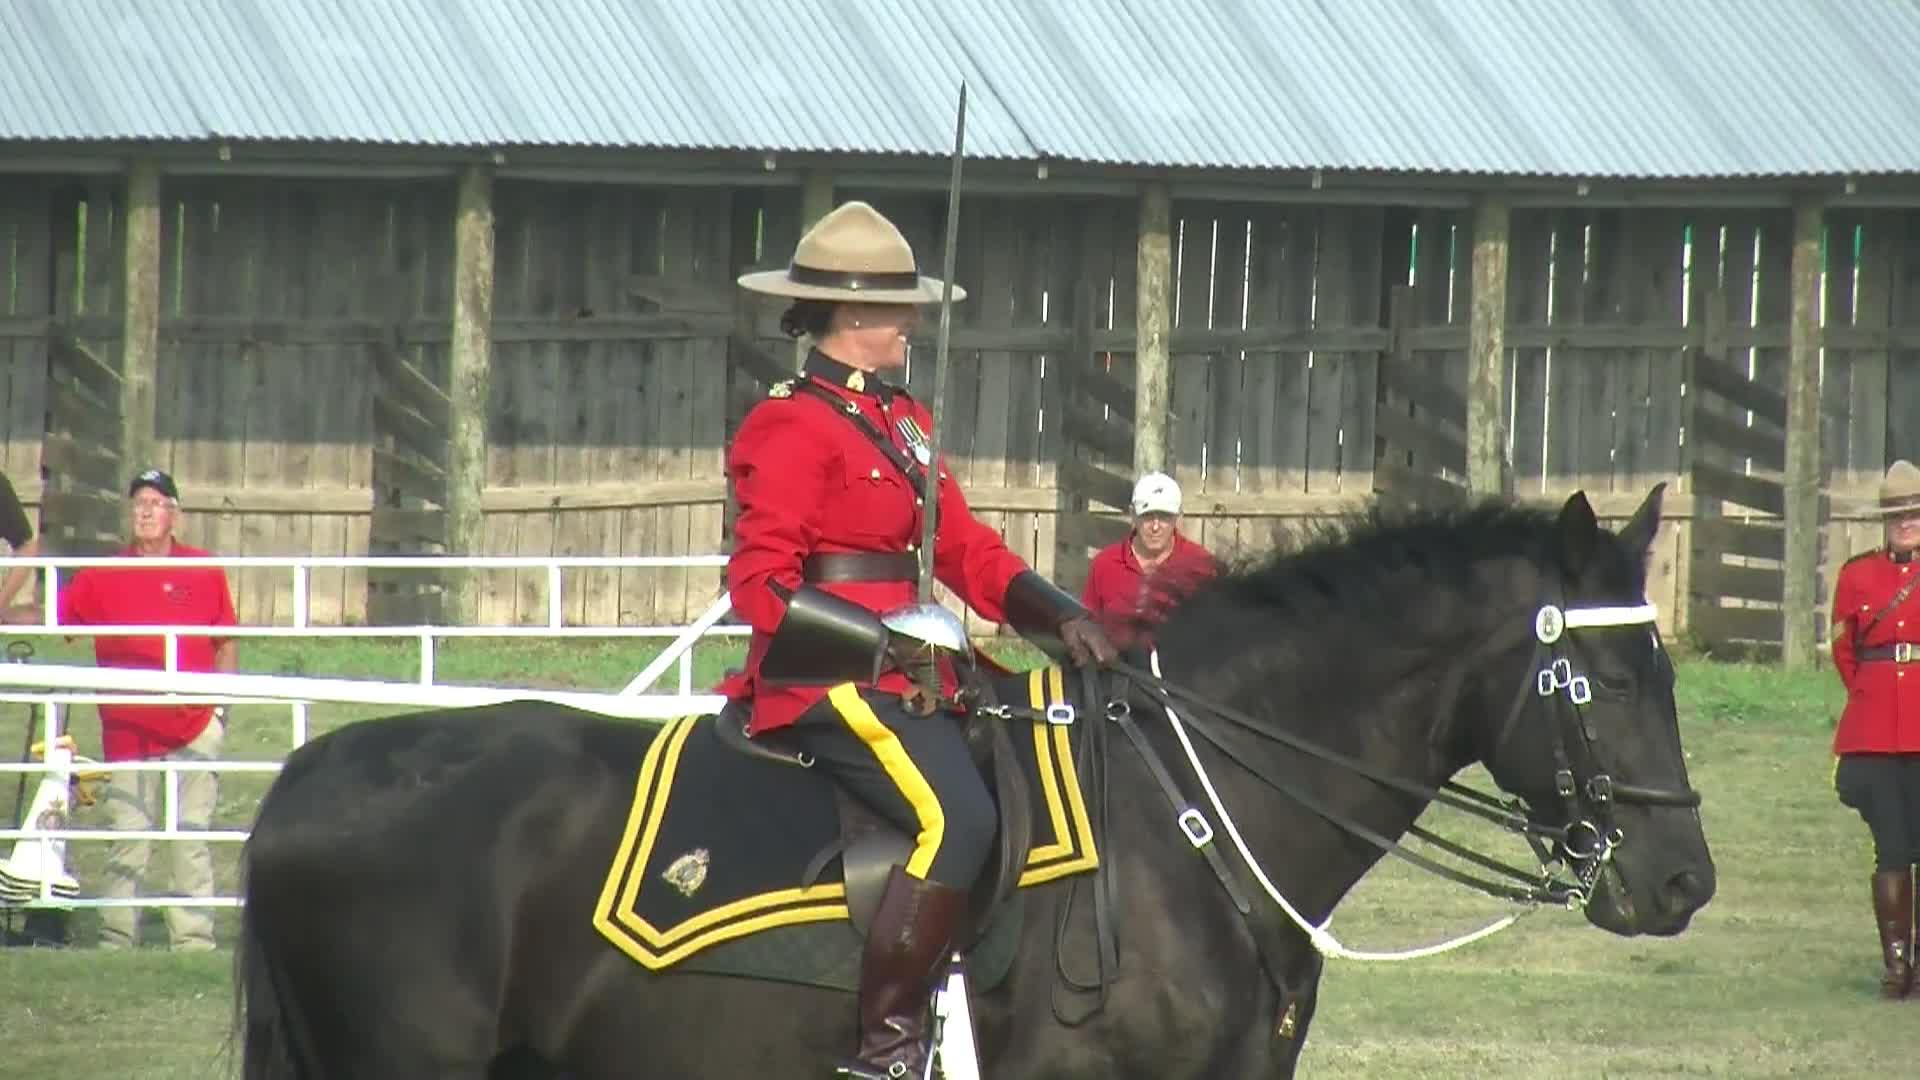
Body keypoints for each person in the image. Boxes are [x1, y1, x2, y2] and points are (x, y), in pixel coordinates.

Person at [720, 200, 1118, 1079]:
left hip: (919, 669)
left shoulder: (904, 420)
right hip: (827, 678)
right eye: (899, 309)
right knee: (958, 817)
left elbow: (965, 546)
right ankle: (889, 1047)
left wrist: (1058, 616)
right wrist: (880, 646)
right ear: (851, 313)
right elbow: (760, 584)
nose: (912, 324)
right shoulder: (789, 423)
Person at [56, 469, 236, 951]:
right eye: (139, 503)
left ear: (174, 514)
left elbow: (225, 640)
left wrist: (220, 708)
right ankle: (116, 939)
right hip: (128, 730)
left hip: (194, 723)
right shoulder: (103, 575)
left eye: (156, 503)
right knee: (128, 836)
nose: (146, 511)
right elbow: (57, 618)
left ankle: (193, 939)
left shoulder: (203, 569)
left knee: (190, 837)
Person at [1831, 458, 1920, 999]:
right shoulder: (1857, 575)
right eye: (1897, 515)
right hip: (1874, 732)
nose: (1906, 523)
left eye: (1915, 514)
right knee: (1891, 846)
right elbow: (1846, 651)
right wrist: (1870, 696)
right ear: (1884, 522)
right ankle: (1897, 967)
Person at [1080, 471, 1218, 653]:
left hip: (1179, 667)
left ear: (1178, 517)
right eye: (1147, 516)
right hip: (1116, 666)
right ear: (1132, 514)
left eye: (1164, 517)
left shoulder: (1200, 565)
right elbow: (1088, 625)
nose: (1155, 527)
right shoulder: (1105, 564)